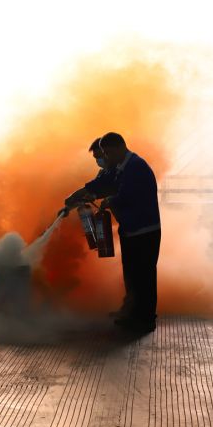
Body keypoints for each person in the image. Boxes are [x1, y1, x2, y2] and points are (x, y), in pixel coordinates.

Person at [66, 132, 161, 333]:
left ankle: (146, 319)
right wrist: (73, 199)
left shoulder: (135, 167)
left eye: (107, 153)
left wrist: (110, 202)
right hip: (130, 230)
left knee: (144, 277)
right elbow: (99, 184)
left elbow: (126, 195)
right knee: (132, 275)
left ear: (119, 148)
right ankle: (132, 313)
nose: (105, 158)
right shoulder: (120, 168)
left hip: (144, 231)